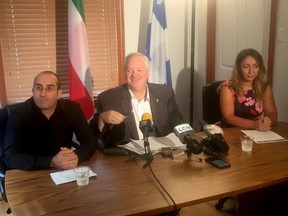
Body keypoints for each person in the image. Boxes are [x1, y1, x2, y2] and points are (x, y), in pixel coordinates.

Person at [3, 71, 96, 170]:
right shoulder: (19, 113)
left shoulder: (72, 109)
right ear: (33, 91)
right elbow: (10, 157)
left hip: (64, 170)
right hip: (30, 172)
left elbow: (89, 141)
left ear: (59, 93)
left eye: (49, 88)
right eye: (38, 88)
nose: (43, 94)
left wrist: (75, 156)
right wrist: (51, 162)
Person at [90, 52, 184, 149]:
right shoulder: (108, 98)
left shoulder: (165, 93)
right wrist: (101, 119)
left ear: (148, 73)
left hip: (162, 155)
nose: (134, 75)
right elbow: (91, 136)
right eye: (129, 70)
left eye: (139, 70)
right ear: (125, 73)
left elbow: (178, 123)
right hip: (126, 158)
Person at [219, 48, 278, 131]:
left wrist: (268, 122)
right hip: (231, 130)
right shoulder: (228, 88)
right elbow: (228, 117)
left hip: (256, 132)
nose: (251, 71)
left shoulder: (265, 87)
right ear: (239, 68)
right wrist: (254, 125)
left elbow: (272, 113)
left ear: (260, 68)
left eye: (255, 66)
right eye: (246, 67)